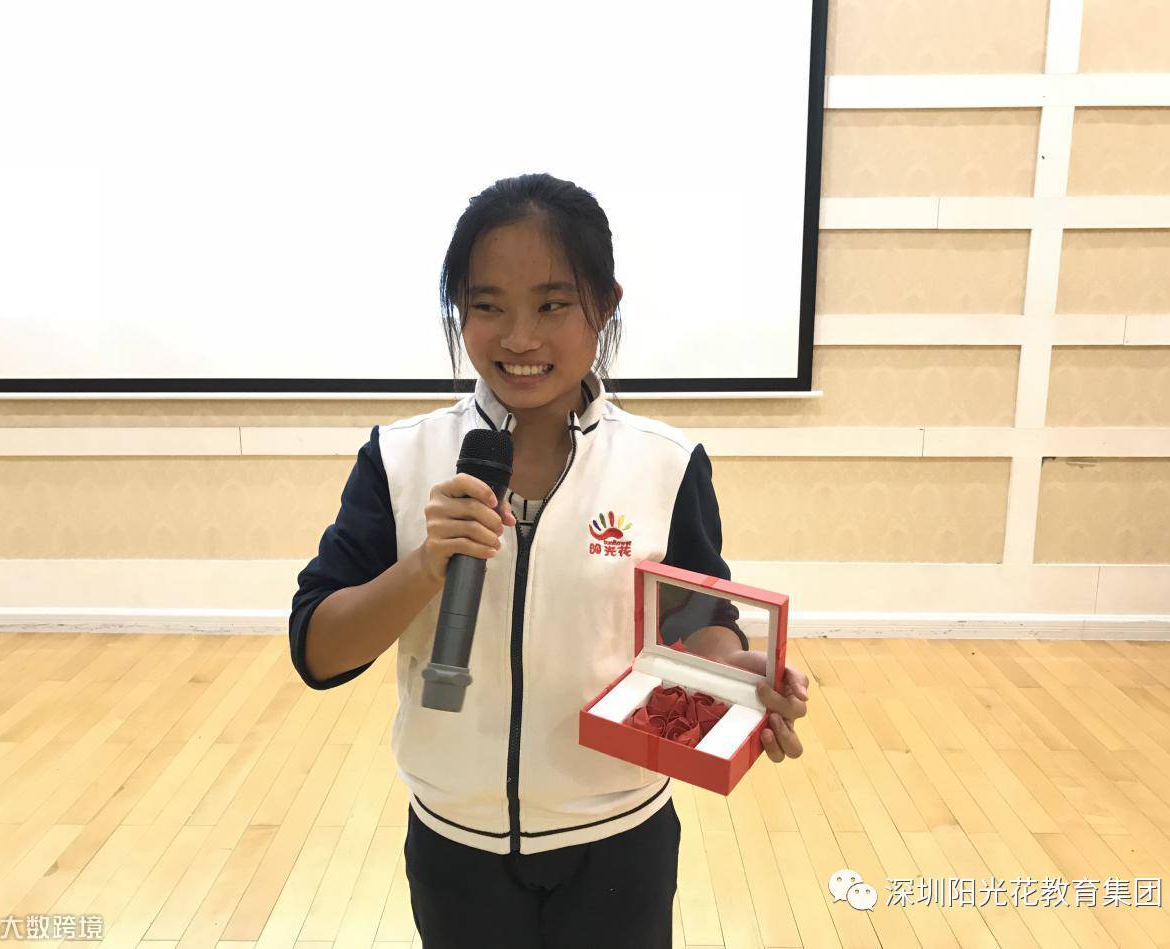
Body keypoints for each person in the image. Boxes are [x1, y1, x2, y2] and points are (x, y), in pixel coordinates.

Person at [288, 173, 809, 948]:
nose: (520, 338)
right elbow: (319, 651)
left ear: (605, 304)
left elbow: (699, 622)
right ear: (458, 309)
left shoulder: (664, 463)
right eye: (487, 305)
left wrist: (737, 674)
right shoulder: (399, 458)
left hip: (620, 835)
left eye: (552, 305)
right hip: (455, 839)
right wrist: (425, 565)